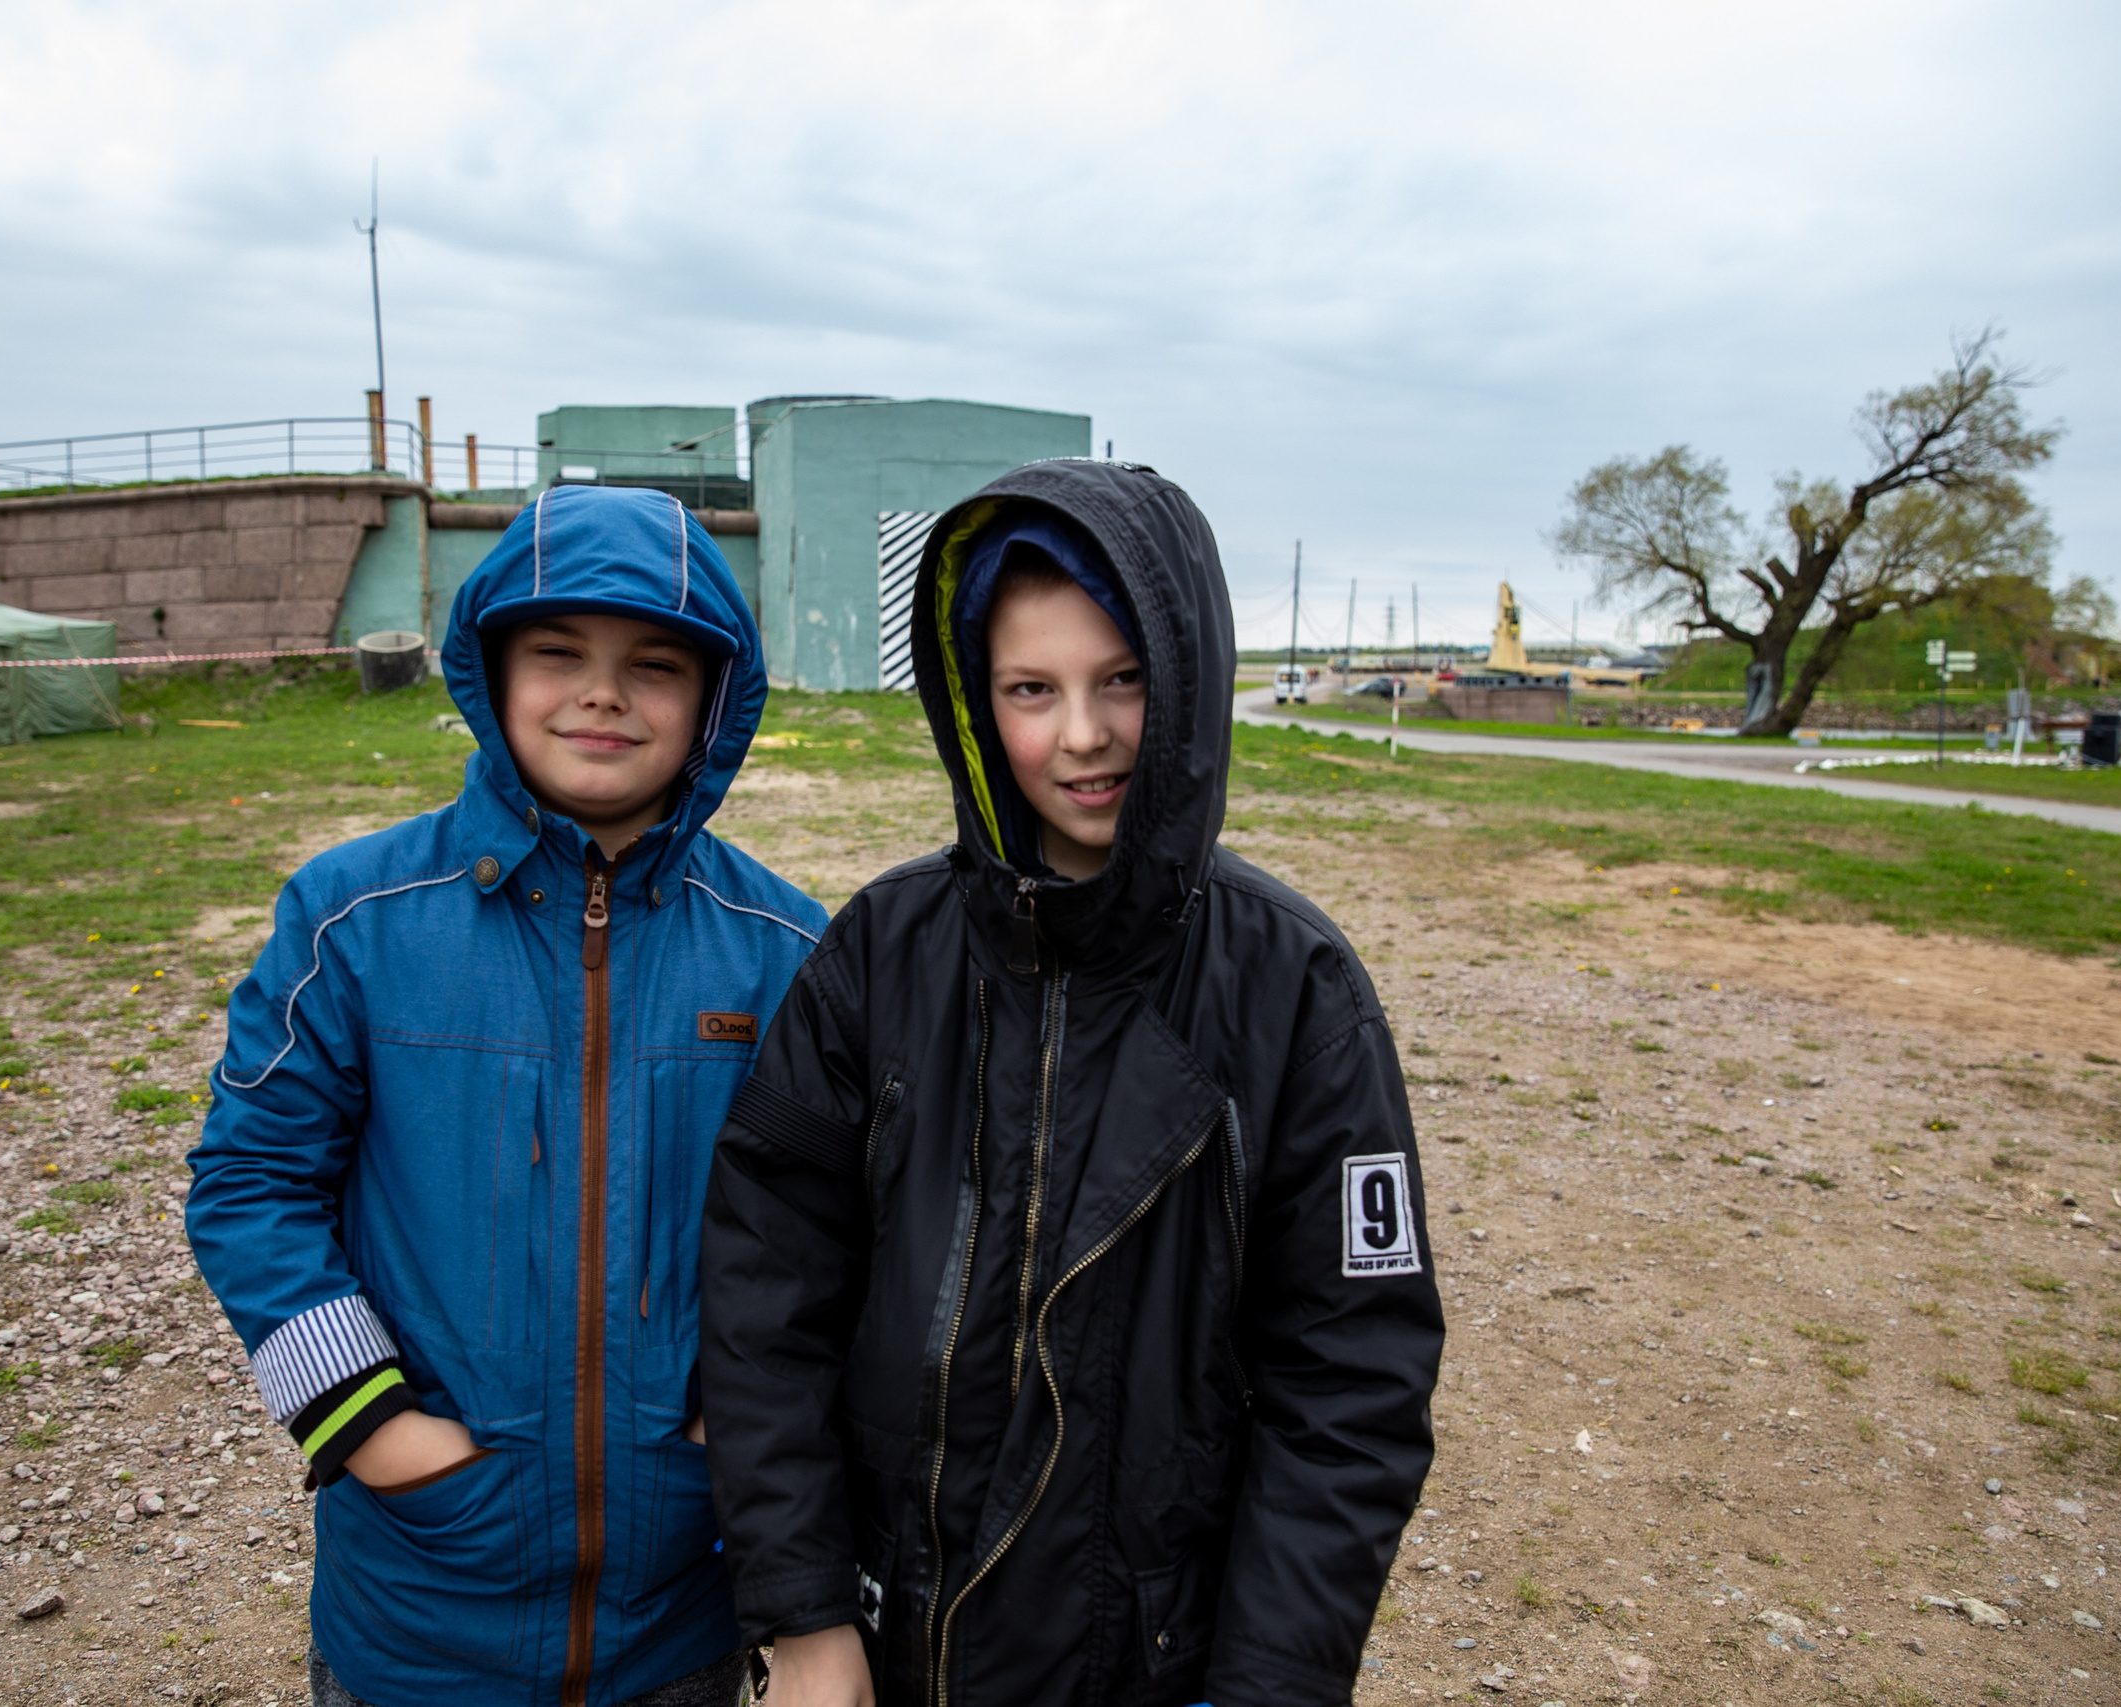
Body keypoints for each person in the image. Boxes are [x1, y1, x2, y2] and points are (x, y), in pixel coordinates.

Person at [700, 461, 1445, 1707]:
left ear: (1191, 681)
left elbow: (1353, 1384)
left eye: (1123, 681)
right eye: (1031, 690)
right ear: (974, 704)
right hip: (885, 1651)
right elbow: (764, 1293)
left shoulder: (1294, 987)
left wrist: (1268, 1683)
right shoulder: (881, 952)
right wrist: (804, 1609)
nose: (1082, 736)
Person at [188, 485, 828, 1707]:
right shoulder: (353, 917)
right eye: (557, 654)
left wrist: (728, 1440)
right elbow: (249, 1181)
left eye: (654, 664)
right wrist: (371, 1428)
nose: (603, 693)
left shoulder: (785, 948)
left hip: (678, 1601)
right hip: (421, 1599)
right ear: (488, 670)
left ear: (714, 701)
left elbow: (831, 1225)